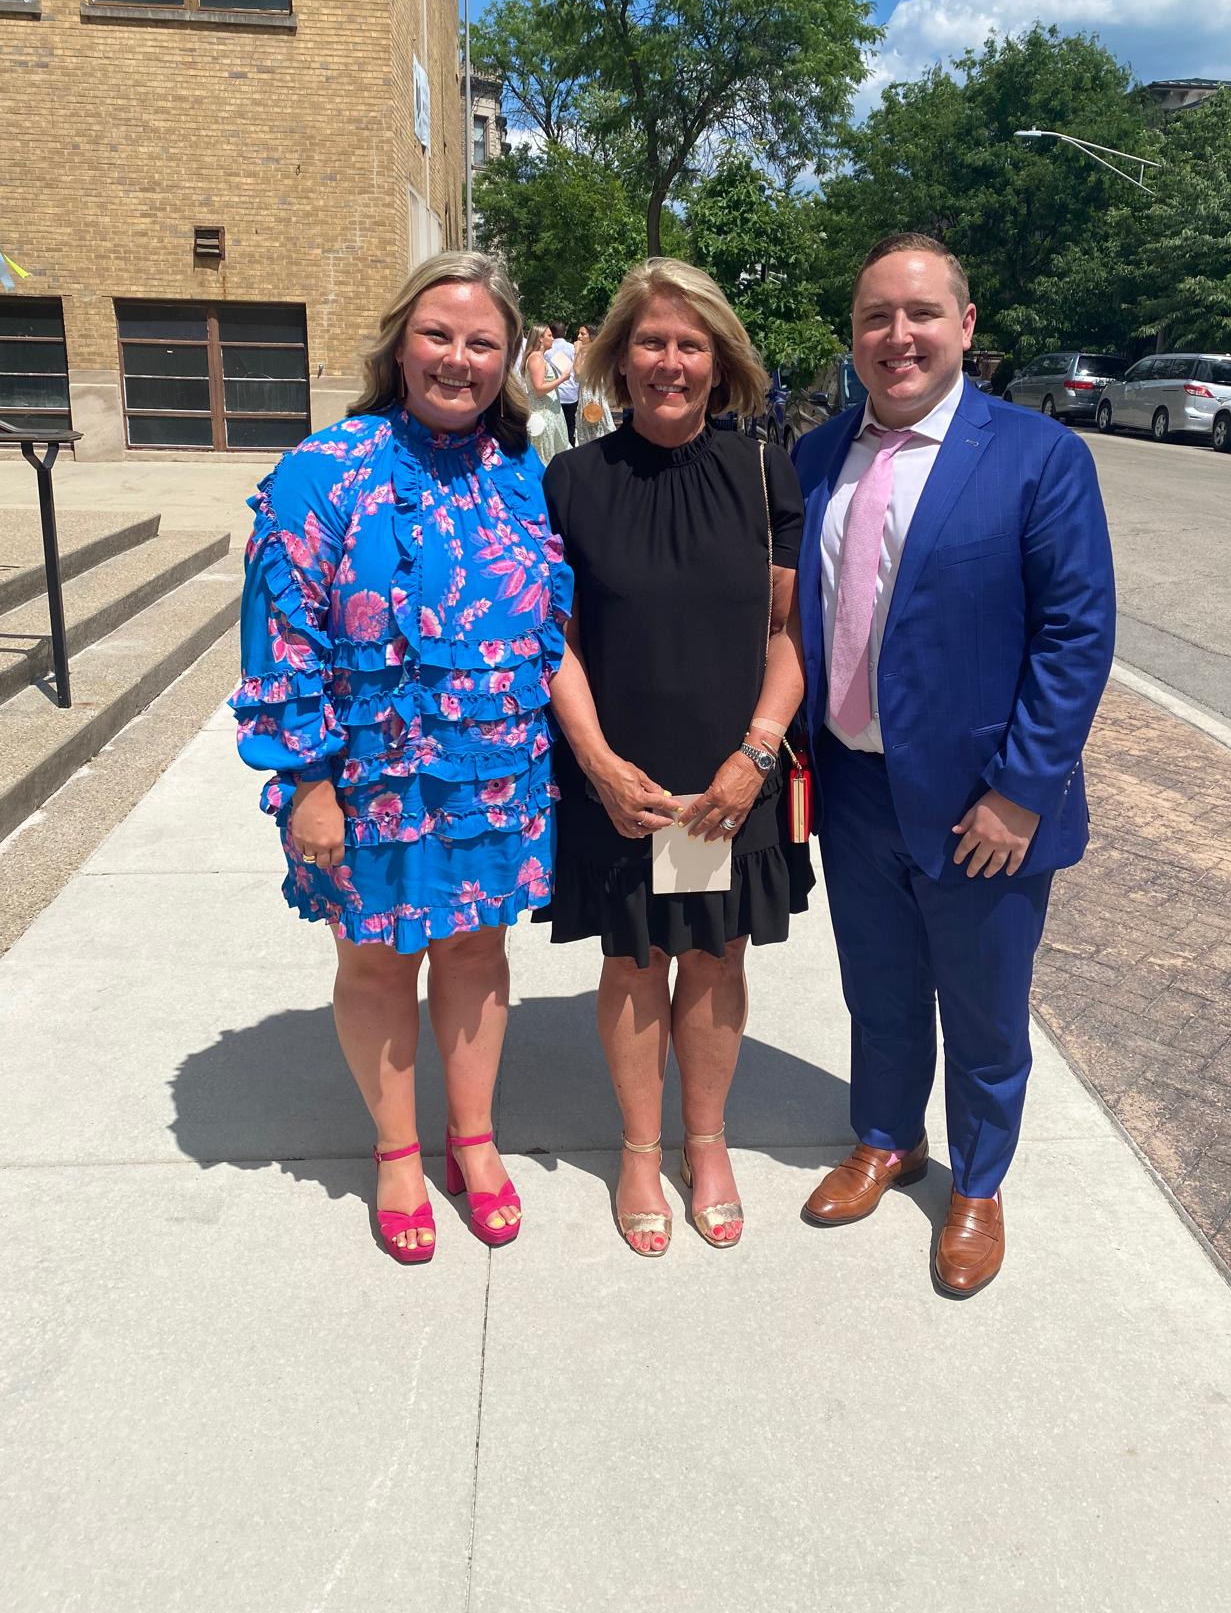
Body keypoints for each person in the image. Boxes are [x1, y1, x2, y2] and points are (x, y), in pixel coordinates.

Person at [230, 252, 572, 1262]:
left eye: (481, 343)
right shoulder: (322, 469)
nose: (457, 359)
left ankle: (473, 1140)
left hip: (492, 771)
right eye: (438, 335)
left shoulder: (519, 472)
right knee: (378, 965)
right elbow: (280, 639)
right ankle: (395, 1150)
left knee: (475, 950)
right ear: (399, 343)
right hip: (364, 781)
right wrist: (307, 782)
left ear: (508, 359)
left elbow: (549, 623)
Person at [792, 233, 1115, 1297]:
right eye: (876, 316)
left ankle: (977, 1182)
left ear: (965, 327)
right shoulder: (815, 455)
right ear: (853, 336)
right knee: (878, 990)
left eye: (921, 314)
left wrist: (1022, 794)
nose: (899, 336)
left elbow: (1076, 635)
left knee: (983, 1011)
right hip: (852, 786)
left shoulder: (1037, 456)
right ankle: (889, 1138)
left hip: (982, 808)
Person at [542, 259, 813, 1256]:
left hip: (719, 780)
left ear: (719, 360)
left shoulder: (761, 469)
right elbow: (553, 640)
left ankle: (707, 1143)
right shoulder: (574, 482)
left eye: (690, 344)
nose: (670, 361)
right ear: (616, 357)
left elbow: (789, 636)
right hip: (628, 784)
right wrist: (600, 765)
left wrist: (754, 755)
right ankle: (639, 1151)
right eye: (650, 342)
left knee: (708, 952)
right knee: (634, 957)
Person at [524, 322, 572, 463]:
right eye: (549, 335)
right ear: (540, 338)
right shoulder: (536, 359)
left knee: (554, 452)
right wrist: (562, 379)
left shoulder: (540, 358)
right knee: (545, 455)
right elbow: (539, 389)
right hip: (543, 414)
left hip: (550, 412)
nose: (552, 338)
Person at [570, 323, 615, 444]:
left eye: (583, 334)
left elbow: (579, 372)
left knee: (596, 421)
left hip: (593, 393)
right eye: (579, 333)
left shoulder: (594, 353)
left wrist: (577, 352)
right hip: (585, 392)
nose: (579, 336)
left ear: (591, 336)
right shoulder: (585, 352)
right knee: (586, 424)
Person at [547, 319, 580, 444]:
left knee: (556, 428)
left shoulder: (547, 351)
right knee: (570, 426)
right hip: (571, 393)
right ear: (565, 332)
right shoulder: (572, 348)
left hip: (554, 394)